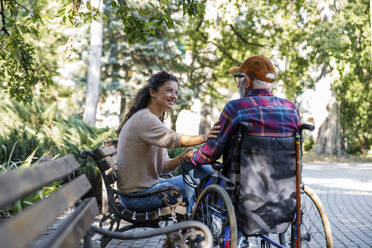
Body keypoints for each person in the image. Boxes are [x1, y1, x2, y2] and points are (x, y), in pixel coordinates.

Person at [182, 55, 301, 211]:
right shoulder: (291, 109)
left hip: (243, 187)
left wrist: (194, 157)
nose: (238, 83)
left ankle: (197, 226)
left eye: (238, 78)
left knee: (189, 164)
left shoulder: (235, 108)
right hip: (283, 187)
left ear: (247, 81)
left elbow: (211, 153)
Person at [115, 71, 219, 212]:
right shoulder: (144, 118)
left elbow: (163, 166)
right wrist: (206, 137)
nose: (174, 97)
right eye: (169, 91)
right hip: (138, 197)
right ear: (152, 92)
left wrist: (181, 158)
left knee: (204, 177)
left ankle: (197, 223)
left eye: (176, 93)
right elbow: (173, 139)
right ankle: (199, 224)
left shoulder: (152, 120)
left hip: (147, 189)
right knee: (205, 180)